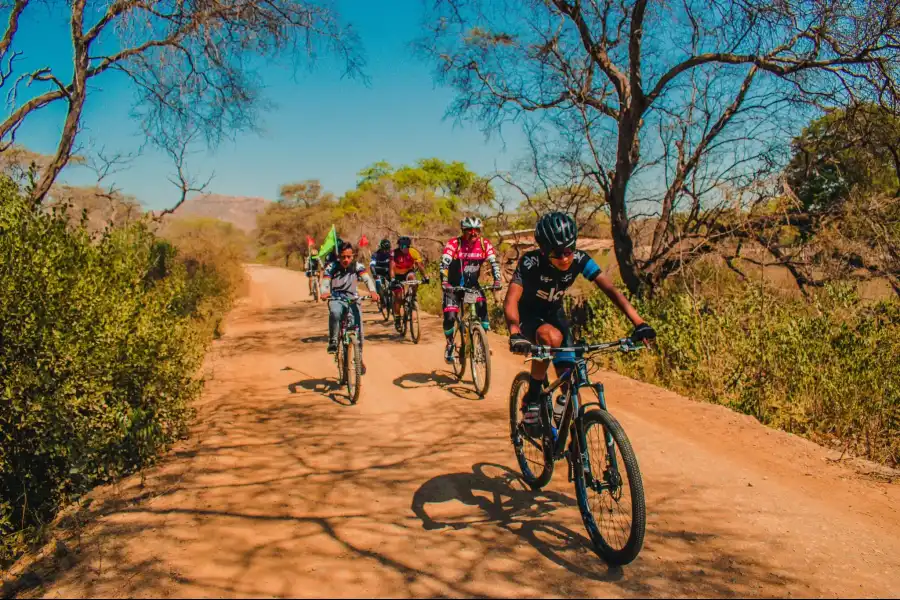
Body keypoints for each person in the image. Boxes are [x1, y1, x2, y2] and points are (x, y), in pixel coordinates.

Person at [504, 211, 656, 435]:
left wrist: (639, 323)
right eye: (557, 253)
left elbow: (611, 291)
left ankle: (562, 417)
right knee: (550, 337)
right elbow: (511, 299)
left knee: (569, 374)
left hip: (555, 314)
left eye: (569, 250)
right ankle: (532, 399)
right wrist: (515, 332)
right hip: (528, 315)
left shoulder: (581, 259)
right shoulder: (531, 262)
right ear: (545, 251)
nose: (565, 258)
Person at [439, 216, 503, 363]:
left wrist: (497, 279)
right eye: (469, 230)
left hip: (471, 286)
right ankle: (450, 344)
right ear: (463, 231)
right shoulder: (454, 244)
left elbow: (494, 263)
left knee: (481, 308)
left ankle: (481, 343)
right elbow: (444, 264)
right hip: (453, 286)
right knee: (450, 317)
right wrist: (444, 281)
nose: (473, 233)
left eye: (477, 230)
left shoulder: (483, 244)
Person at [320, 242, 379, 371]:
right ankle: (333, 341)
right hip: (336, 298)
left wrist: (373, 291)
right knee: (335, 313)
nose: (345, 260)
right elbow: (325, 282)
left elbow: (367, 279)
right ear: (338, 257)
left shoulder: (357, 266)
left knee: (359, 331)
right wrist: (324, 292)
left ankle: (359, 358)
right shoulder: (332, 267)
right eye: (342, 257)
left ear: (352, 256)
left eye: (348, 257)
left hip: (353, 299)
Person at [389, 236, 429, 330]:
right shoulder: (394, 253)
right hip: (397, 274)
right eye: (402, 246)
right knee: (398, 298)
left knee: (414, 279)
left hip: (408, 272)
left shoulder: (413, 252)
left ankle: (412, 297)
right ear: (399, 246)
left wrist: (426, 276)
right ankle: (398, 319)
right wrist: (392, 279)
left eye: (407, 246)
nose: (405, 248)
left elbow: (420, 266)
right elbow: (391, 268)